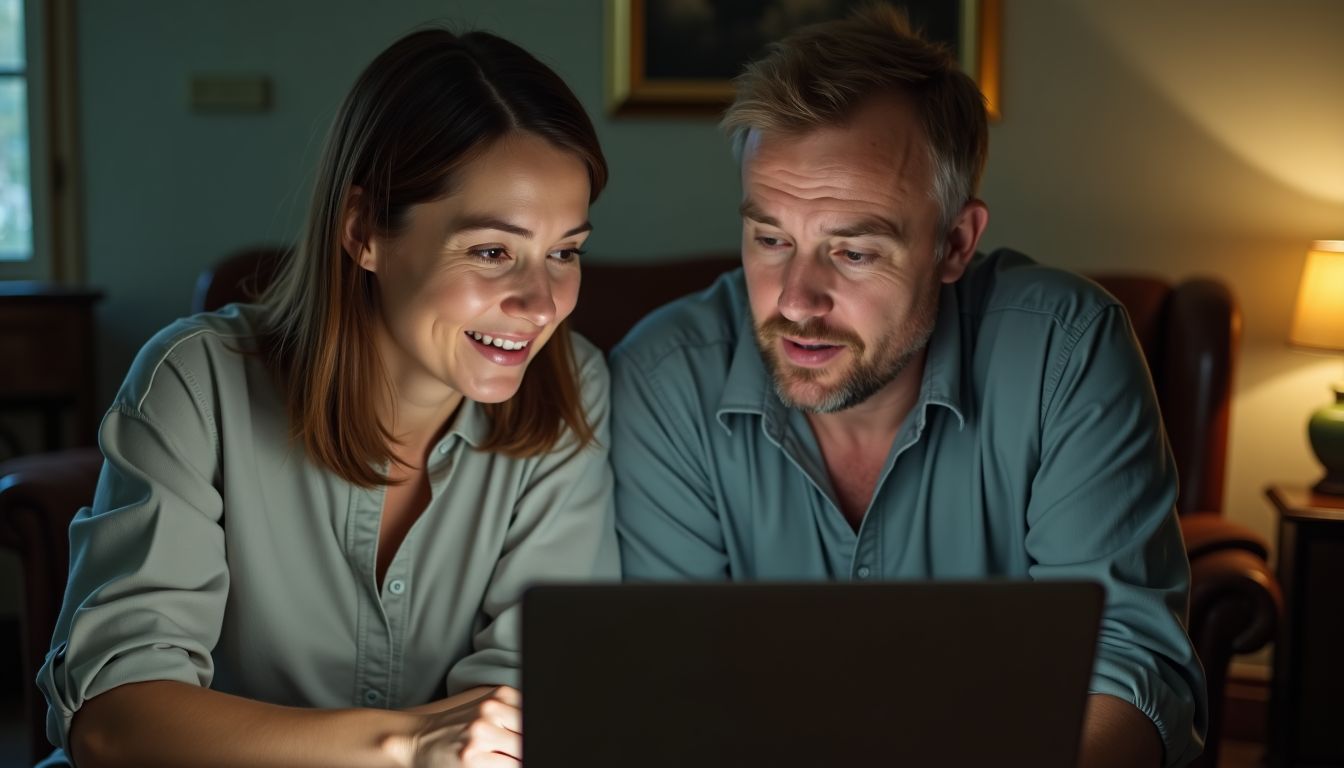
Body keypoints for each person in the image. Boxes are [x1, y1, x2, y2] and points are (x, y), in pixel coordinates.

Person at [609, 6, 1206, 767]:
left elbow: (1126, 664)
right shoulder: (663, 382)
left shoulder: (1066, 351)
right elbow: (667, 686)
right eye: (770, 240)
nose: (795, 300)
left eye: (853, 252)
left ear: (955, 244)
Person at [37, 28, 617, 768]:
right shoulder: (196, 380)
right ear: (363, 230)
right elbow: (114, 722)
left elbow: (523, 709)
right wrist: (407, 743)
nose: (541, 304)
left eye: (565, 252)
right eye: (492, 251)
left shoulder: (574, 388)